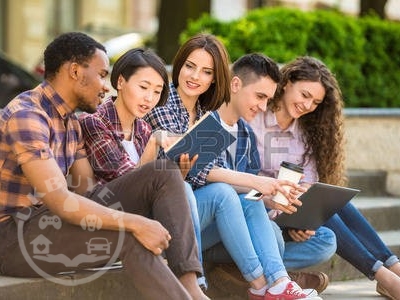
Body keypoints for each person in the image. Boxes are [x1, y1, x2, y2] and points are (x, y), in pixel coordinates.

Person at [0, 32, 208, 300]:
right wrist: (136, 223)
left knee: (163, 174)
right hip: (12, 238)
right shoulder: (28, 116)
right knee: (129, 238)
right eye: (101, 74)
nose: (105, 87)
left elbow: (92, 193)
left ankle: (191, 288)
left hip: (49, 223)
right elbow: (60, 199)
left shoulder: (70, 122)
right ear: (75, 71)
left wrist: (154, 194)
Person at [146, 33, 321, 299]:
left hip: (198, 210)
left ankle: (274, 284)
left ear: (215, 78)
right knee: (226, 194)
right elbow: (195, 170)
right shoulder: (163, 102)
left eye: (206, 71)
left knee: (251, 203)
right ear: (179, 64)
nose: (195, 76)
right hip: (166, 210)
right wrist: (257, 182)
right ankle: (234, 284)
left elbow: (209, 170)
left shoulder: (207, 112)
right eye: (190, 66)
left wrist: (267, 193)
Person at [250, 55, 400, 300]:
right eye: (305, 95)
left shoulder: (304, 134)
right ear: (287, 82)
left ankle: (393, 267)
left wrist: (302, 218)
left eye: (316, 102)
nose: (308, 105)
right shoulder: (256, 118)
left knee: (328, 231)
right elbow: (247, 177)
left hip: (288, 211)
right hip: (260, 212)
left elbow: (309, 185)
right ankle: (384, 276)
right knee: (326, 221)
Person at [78, 47, 208, 290]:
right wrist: (152, 146)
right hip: (105, 216)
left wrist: (181, 171)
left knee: (197, 189)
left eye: (157, 92)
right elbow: (127, 182)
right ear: (120, 82)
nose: (150, 98)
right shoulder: (94, 122)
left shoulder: (142, 129)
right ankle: (192, 287)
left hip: (140, 217)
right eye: (144, 87)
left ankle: (191, 283)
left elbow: (153, 186)